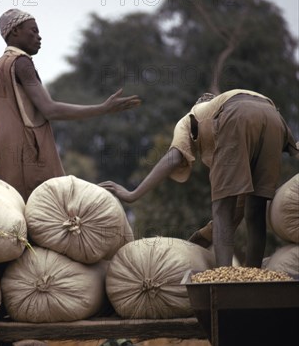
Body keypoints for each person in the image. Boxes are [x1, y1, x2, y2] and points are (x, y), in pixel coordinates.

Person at [100, 89, 298, 267]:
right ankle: (255, 277)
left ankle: (223, 280)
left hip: (237, 114)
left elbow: (173, 157)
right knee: (255, 210)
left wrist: (132, 194)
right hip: (274, 116)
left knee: (222, 210)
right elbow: (241, 207)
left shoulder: (191, 117)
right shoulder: (226, 103)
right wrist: (205, 235)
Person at [0, 8, 141, 201]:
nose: (39, 37)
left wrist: (0, 139)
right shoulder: (21, 63)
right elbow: (50, 110)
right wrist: (102, 108)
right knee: (57, 211)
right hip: (31, 160)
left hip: (3, 162)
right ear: (15, 32)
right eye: (34, 31)